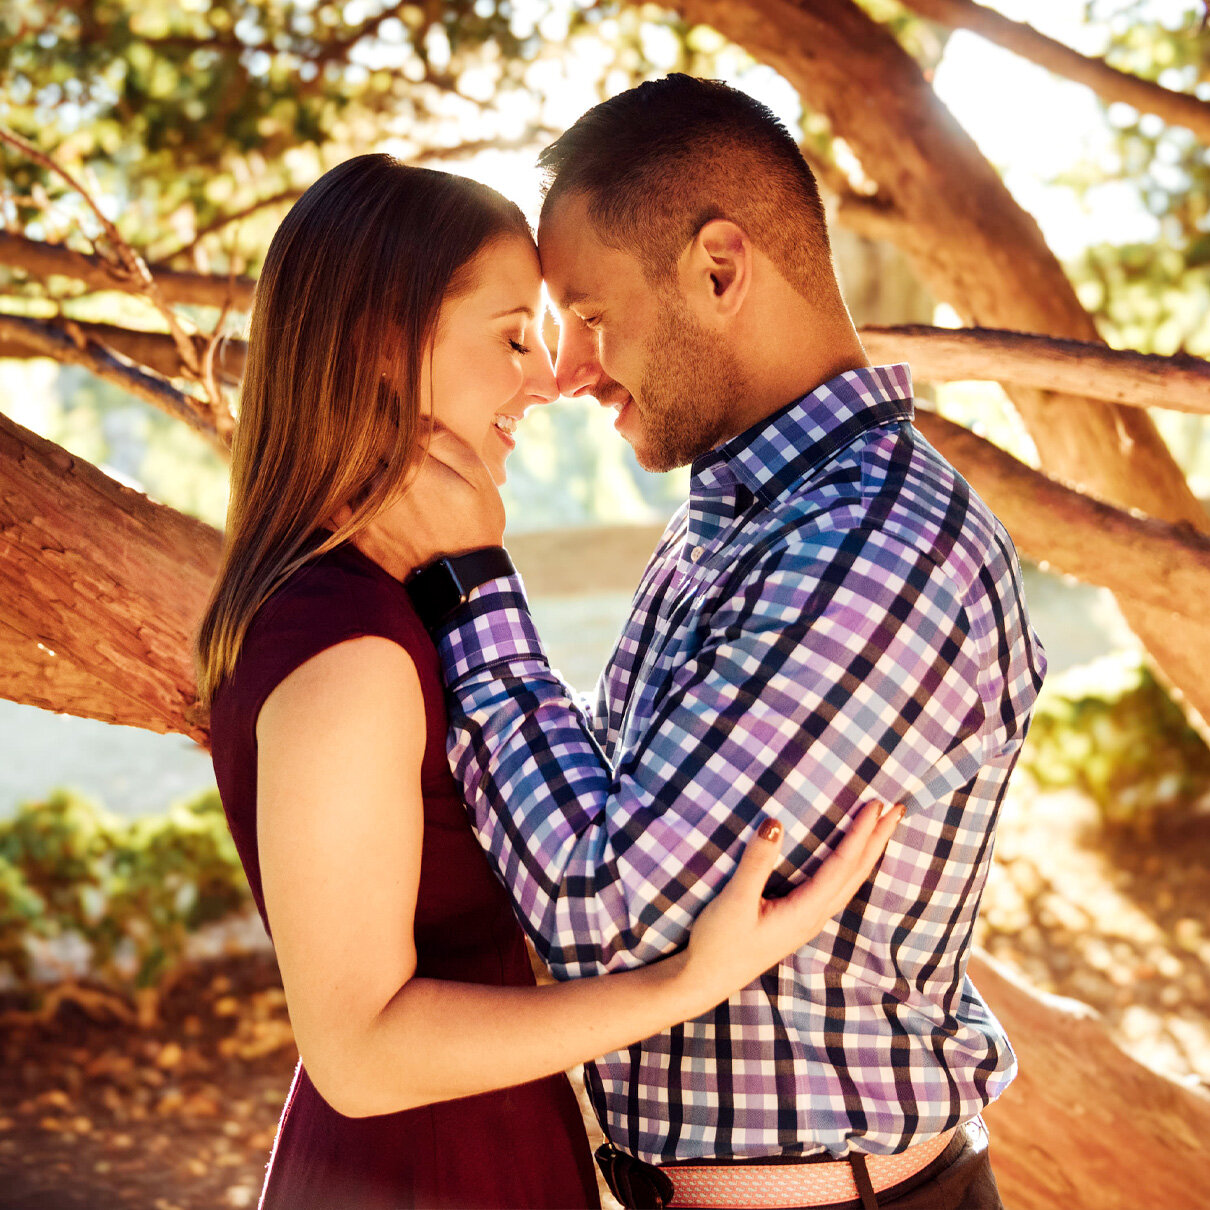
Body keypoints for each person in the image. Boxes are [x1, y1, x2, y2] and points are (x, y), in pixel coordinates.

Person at [367, 76, 1048, 1210]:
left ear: (720, 269)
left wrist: (473, 585)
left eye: (589, 316)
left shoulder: (871, 546)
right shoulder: (733, 520)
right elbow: (607, 797)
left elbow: (600, 910)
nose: (566, 372)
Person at [194, 153, 903, 1210]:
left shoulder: (384, 601)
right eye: (512, 337)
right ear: (382, 345)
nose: (545, 380)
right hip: (428, 1175)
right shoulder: (353, 651)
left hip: (476, 1149)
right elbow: (359, 1052)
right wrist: (689, 981)